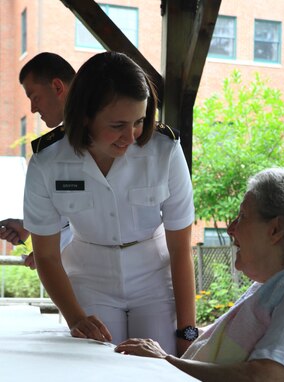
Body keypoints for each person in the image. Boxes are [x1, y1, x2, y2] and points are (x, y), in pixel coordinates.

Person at [115, 167, 284, 382]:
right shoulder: (273, 285)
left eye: (242, 217)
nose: (231, 228)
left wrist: (169, 364)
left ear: (276, 229)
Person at [23, 51, 197, 357]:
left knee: (158, 369)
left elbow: (181, 247)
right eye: (117, 125)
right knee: (95, 368)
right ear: (85, 115)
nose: (130, 137)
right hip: (90, 279)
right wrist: (76, 317)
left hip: (154, 279)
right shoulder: (48, 161)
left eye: (139, 122)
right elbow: (47, 256)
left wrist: (187, 330)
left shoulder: (164, 150)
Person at [0, 52, 76, 268]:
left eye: (34, 97)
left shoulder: (113, 141)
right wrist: (33, 228)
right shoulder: (49, 154)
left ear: (57, 87)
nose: (33, 109)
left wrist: (51, 250)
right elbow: (76, 211)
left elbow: (111, 217)